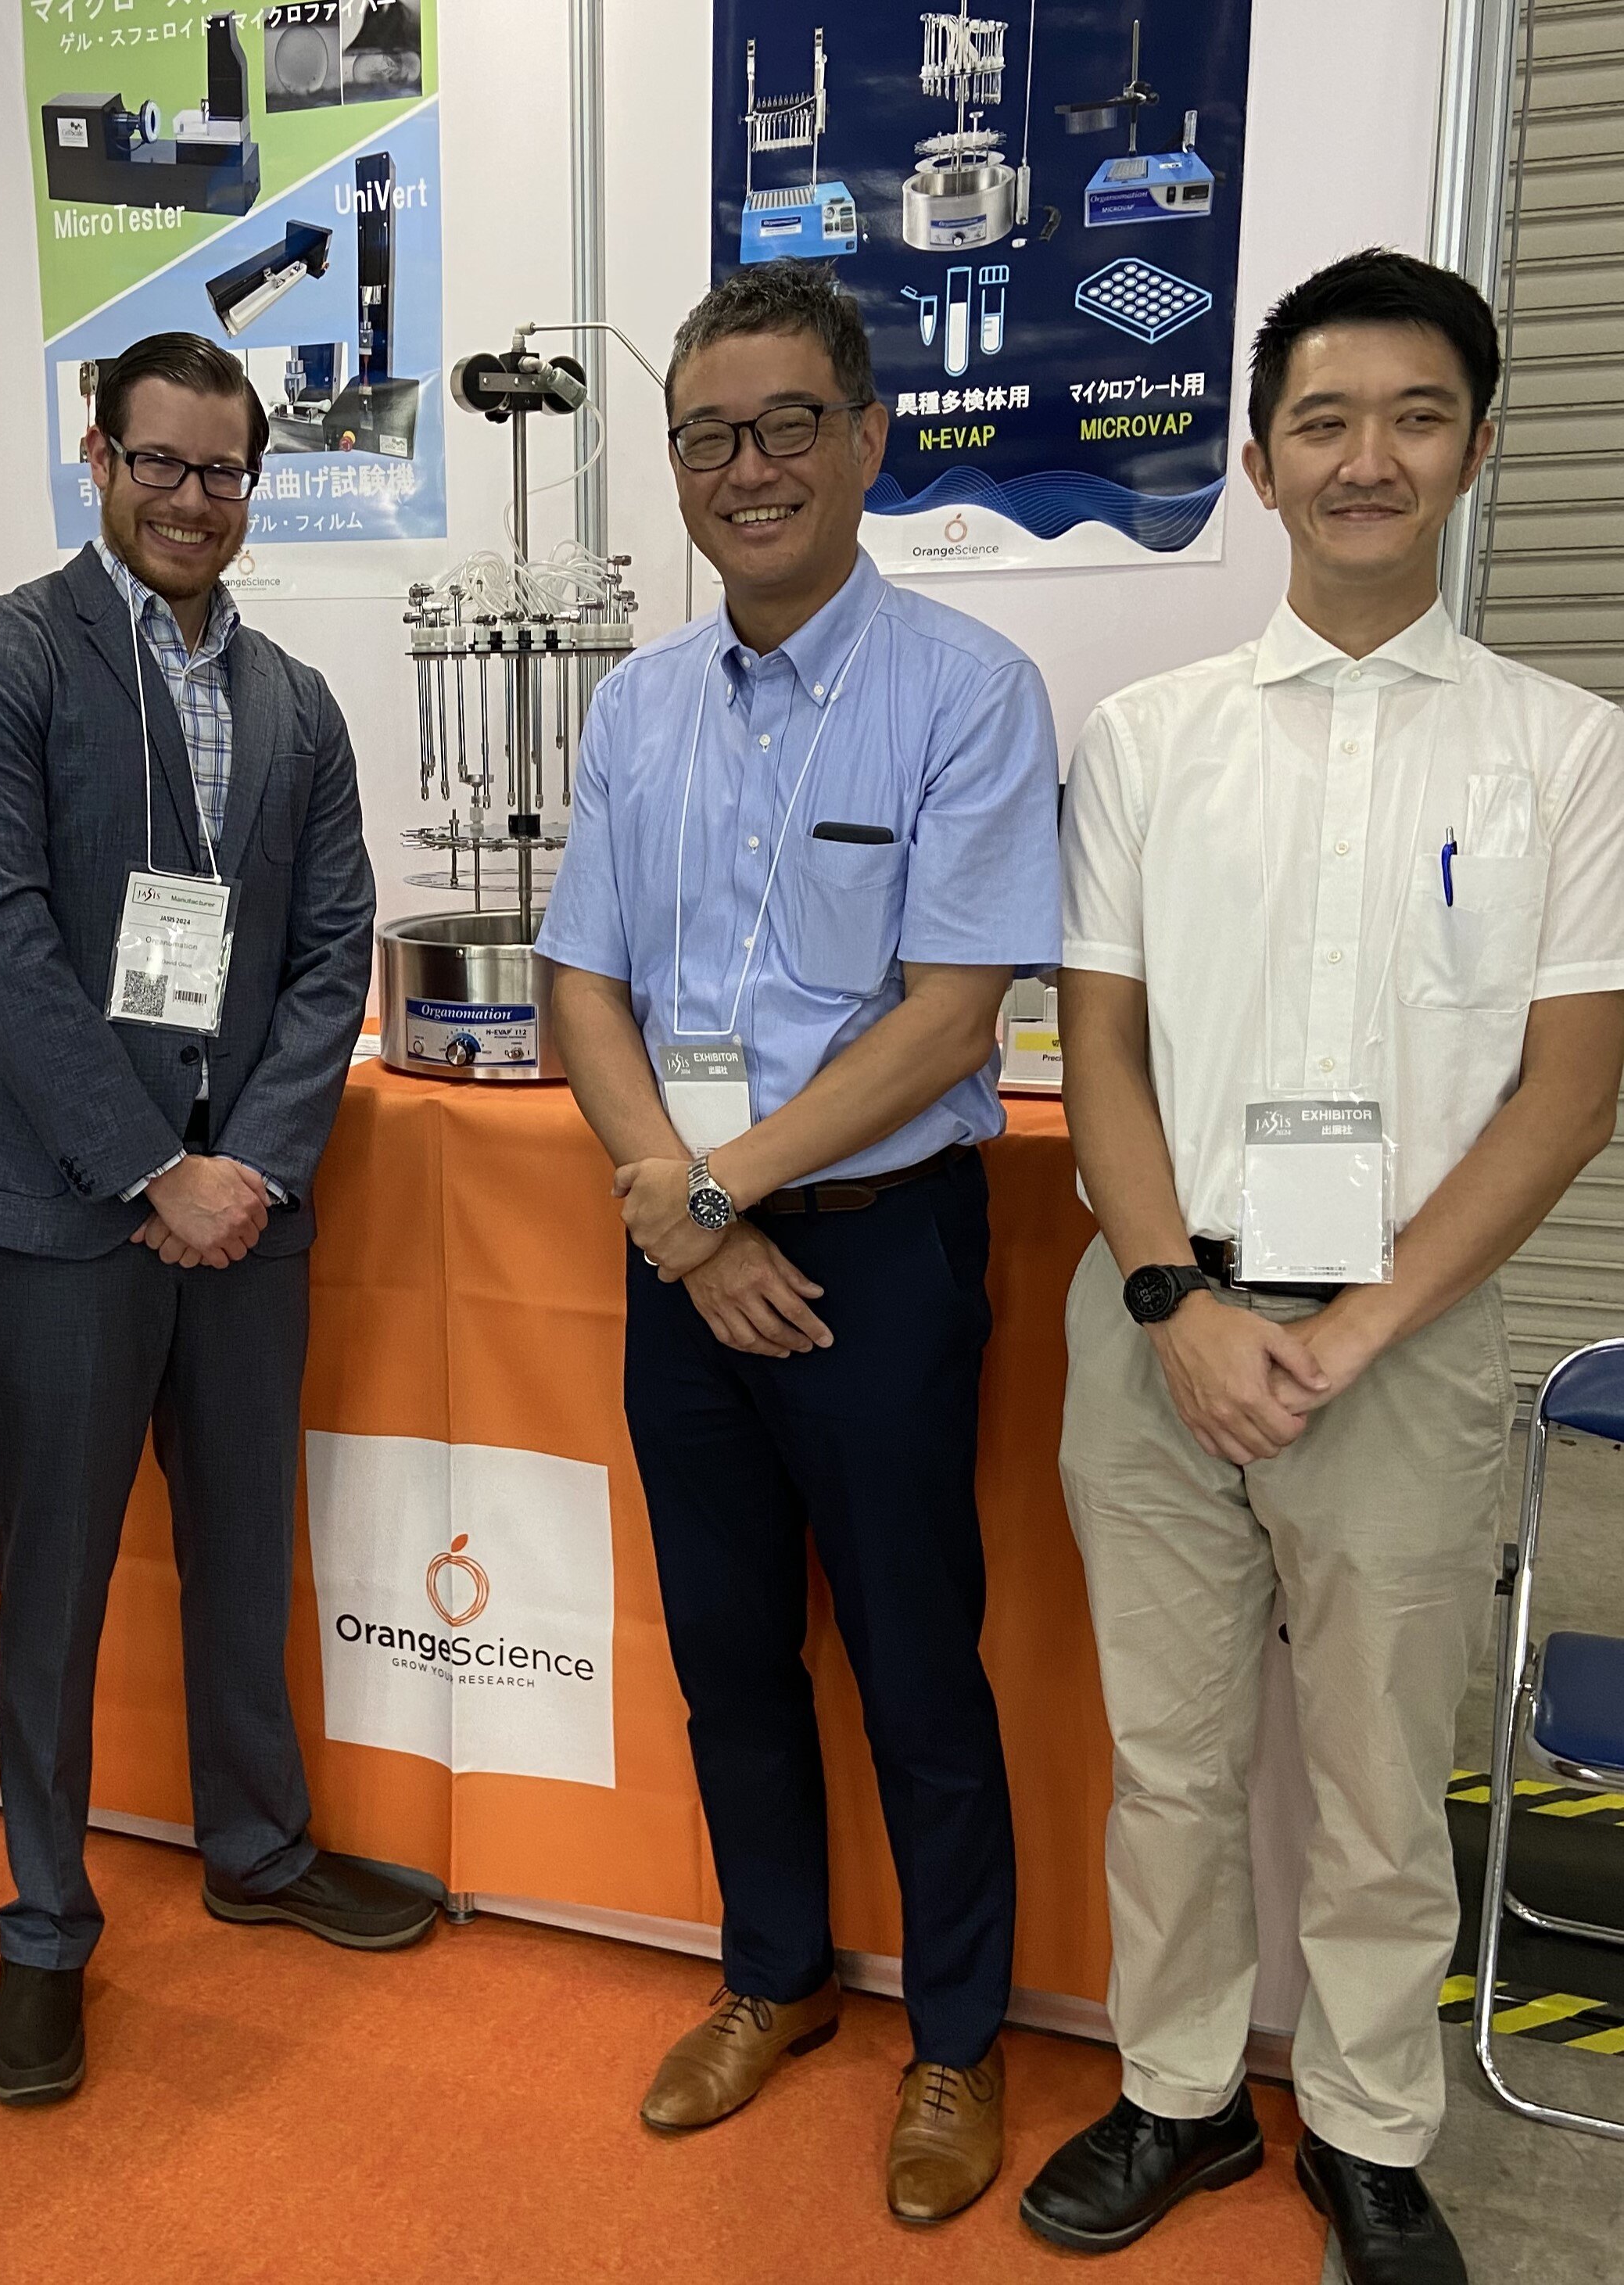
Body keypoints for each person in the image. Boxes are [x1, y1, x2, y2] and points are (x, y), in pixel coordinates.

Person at [1022, 251, 1624, 2285]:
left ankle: (1368, 2131)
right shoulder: (1144, 738)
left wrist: (1357, 1323)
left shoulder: (1563, 750)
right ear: (1261, 461)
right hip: (1159, 1329)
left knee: (1381, 1780)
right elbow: (1095, 1041)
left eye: (1416, 416)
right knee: (1170, 1762)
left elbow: (1566, 1089)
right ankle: (1178, 2096)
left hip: (1415, 1338)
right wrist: (1176, 1303)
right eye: (1324, 422)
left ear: (1468, 448)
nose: (1368, 457)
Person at [536, 260, 1059, 2221]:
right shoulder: (640, 705)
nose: (743, 469)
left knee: (921, 1665)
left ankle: (954, 2040)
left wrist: (710, 1193)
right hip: (688, 1260)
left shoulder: (968, 694)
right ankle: (777, 1982)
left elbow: (949, 1015)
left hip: (880, 1256)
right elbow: (584, 983)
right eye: (704, 435)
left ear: (868, 442)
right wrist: (690, 1215)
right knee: (733, 1652)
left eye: (781, 428)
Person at [0, 330, 428, 2114]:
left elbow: (325, 951)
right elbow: (1, 947)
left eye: (225, 473)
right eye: (161, 465)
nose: (195, 502)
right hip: (67, 1218)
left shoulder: (293, 699)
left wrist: (251, 1169)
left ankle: (259, 1848)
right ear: (96, 457)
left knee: (244, 1551)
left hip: (246, 1219)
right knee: (49, 1589)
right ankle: (45, 1926)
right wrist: (153, 1170)